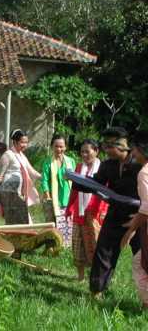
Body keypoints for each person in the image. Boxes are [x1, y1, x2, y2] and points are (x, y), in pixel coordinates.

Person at [71, 127, 141, 298]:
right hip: (116, 213)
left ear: (125, 144)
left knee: (143, 254)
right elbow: (98, 184)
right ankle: (97, 290)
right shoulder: (108, 165)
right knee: (104, 252)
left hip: (140, 216)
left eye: (112, 145)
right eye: (106, 146)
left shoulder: (140, 164)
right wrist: (75, 179)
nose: (108, 150)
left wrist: (141, 216)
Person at [65, 139, 108, 281]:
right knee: (78, 244)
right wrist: (69, 208)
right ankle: (80, 277)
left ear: (96, 151)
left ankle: (97, 278)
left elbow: (106, 193)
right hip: (80, 211)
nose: (84, 154)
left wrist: (101, 212)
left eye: (87, 151)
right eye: (82, 152)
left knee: (95, 245)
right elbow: (75, 190)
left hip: (95, 213)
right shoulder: (78, 168)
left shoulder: (104, 169)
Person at [121, 131, 148, 309]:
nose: (133, 154)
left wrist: (130, 231)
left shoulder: (144, 173)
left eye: (135, 150)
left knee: (140, 264)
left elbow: (147, 207)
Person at [0, 129, 41, 225]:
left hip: (18, 192)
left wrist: (45, 177)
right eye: (22, 142)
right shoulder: (8, 155)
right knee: (15, 219)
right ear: (15, 142)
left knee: (20, 218)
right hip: (8, 192)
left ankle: (19, 236)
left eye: (26, 142)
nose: (25, 145)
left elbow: (32, 171)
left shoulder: (21, 155)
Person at [41, 135, 76, 246]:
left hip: (68, 198)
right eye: (56, 146)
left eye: (61, 146)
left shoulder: (71, 161)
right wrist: (47, 194)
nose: (59, 149)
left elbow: (75, 179)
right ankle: (51, 247)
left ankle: (65, 246)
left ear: (65, 147)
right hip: (52, 199)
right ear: (52, 147)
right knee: (51, 224)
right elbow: (44, 180)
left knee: (67, 224)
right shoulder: (47, 162)